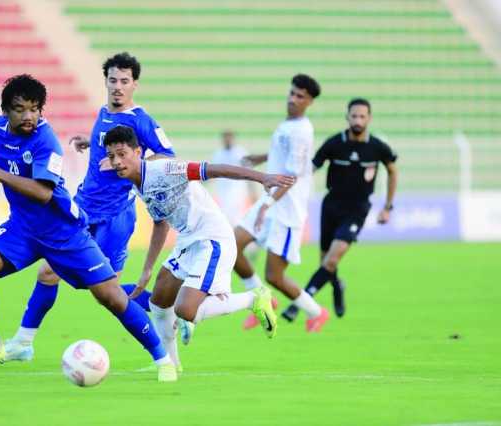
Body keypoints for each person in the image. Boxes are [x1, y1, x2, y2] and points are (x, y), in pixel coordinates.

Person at [0, 74, 177, 382]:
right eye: (20, 109)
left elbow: (44, 192)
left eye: (35, 109)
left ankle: (162, 358)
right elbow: (9, 159)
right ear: (5, 111)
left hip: (63, 232)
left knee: (110, 296)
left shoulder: (47, 142)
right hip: (22, 229)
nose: (29, 116)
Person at [3, 52, 175, 363]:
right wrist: (91, 143)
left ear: (135, 84)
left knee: (109, 294)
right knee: (47, 272)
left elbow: (167, 156)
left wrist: (130, 162)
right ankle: (23, 341)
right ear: (106, 82)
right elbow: (105, 149)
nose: (118, 87)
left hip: (114, 216)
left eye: (124, 81)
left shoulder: (142, 120)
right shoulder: (103, 114)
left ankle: (167, 310)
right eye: (112, 80)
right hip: (82, 208)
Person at [103, 125, 296, 370]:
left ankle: (254, 298)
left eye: (122, 154)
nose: (117, 161)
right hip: (189, 240)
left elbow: (212, 170)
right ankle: (169, 364)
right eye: (112, 157)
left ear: (138, 152)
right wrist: (147, 269)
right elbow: (160, 223)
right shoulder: (136, 184)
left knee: (185, 310)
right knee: (159, 299)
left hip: (212, 238)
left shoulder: (164, 170)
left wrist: (262, 178)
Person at [282, 98, 398, 320]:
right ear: (347, 117)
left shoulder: (377, 147)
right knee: (325, 262)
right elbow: (309, 169)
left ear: (369, 119)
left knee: (332, 261)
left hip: (357, 210)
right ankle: (337, 286)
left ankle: (299, 304)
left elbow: (393, 171)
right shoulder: (335, 143)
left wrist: (387, 207)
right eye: (354, 116)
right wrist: (285, 186)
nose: (358, 120)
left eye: (362, 116)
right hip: (331, 206)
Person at [233, 74, 330, 333]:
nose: (293, 99)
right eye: (292, 93)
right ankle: (262, 298)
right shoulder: (289, 124)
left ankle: (316, 312)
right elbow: (282, 155)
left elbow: (292, 176)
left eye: (300, 96)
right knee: (231, 246)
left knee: (274, 275)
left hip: (286, 211)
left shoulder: (302, 131)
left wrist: (267, 204)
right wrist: (259, 158)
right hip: (271, 201)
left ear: (309, 101)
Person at [211, 130, 252, 225]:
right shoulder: (218, 154)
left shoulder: (240, 153)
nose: (227, 140)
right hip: (222, 191)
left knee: (238, 217)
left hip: (238, 191)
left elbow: (249, 173)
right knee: (225, 217)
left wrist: (252, 191)